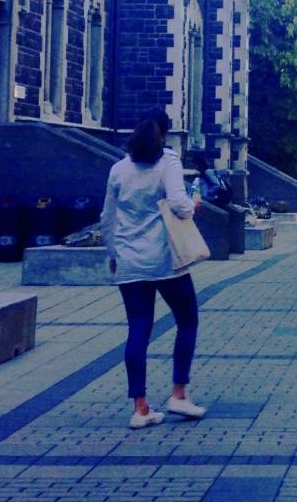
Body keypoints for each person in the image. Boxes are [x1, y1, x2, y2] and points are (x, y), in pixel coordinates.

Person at [100, 111, 207, 428]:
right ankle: (178, 393)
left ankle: (141, 407)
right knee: (187, 321)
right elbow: (179, 204)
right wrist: (194, 205)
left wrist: (113, 252)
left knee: (138, 329)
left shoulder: (118, 169)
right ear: (166, 133)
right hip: (165, 261)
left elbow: (107, 217)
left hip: (130, 261)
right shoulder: (168, 162)